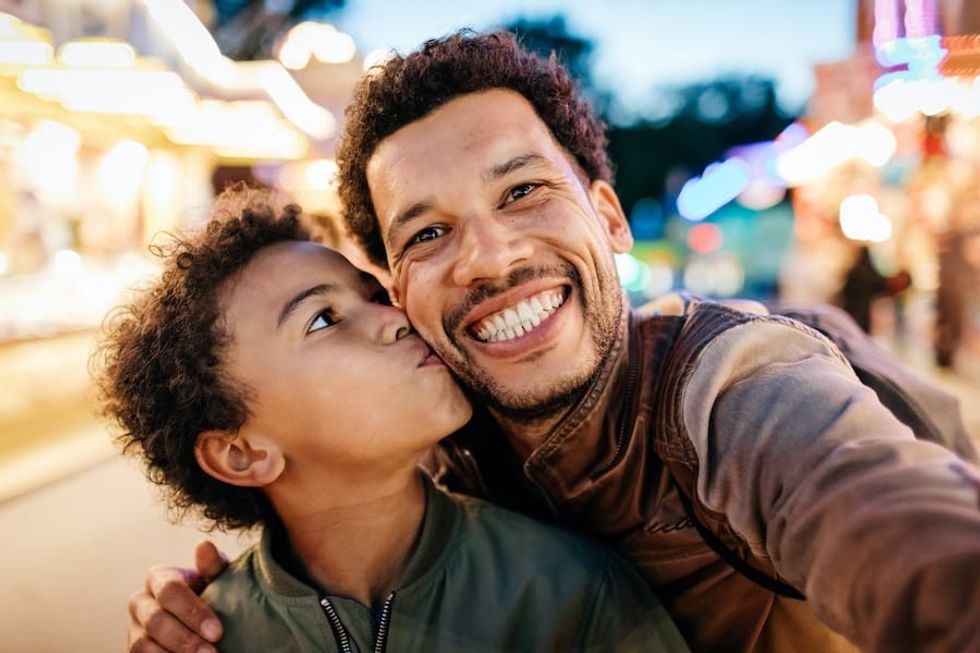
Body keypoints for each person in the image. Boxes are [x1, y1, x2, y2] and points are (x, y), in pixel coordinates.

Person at [129, 31, 980, 653]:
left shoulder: (733, 387)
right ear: (399, 288)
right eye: (426, 235)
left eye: (524, 190)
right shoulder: (428, 447)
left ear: (607, 216)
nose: (489, 257)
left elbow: (889, 520)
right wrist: (212, 611)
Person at [97, 189, 688, 652]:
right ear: (242, 452)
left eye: (374, 296)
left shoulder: (567, 592)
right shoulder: (204, 634)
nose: (397, 318)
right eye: (325, 320)